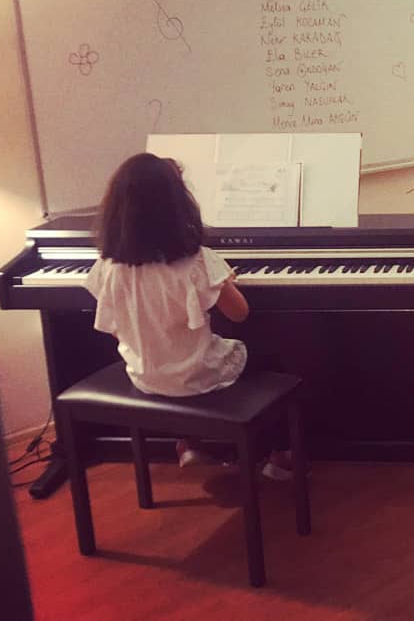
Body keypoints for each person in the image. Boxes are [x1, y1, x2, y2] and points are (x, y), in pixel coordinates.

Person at [84, 153, 290, 478]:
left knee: (175, 349)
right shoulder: (196, 260)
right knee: (276, 353)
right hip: (198, 377)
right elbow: (239, 313)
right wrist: (224, 283)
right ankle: (277, 455)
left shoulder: (108, 266)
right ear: (178, 205)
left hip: (144, 375)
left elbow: (117, 327)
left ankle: (190, 443)